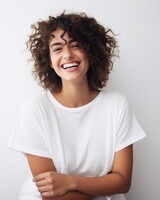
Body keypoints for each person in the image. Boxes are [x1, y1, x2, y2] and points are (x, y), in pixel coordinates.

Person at [8, 12, 146, 200]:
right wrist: (103, 184)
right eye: (57, 48)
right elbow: (50, 195)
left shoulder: (117, 105)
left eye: (75, 45)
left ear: (90, 52)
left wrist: (70, 182)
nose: (67, 54)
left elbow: (122, 182)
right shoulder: (34, 109)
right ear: (49, 61)